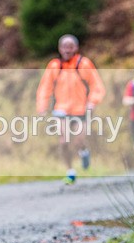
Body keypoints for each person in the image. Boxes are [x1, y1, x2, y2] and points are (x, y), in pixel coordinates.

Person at [36, 34, 105, 184]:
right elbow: (45, 87)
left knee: (79, 140)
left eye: (70, 47)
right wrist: (42, 107)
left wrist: (92, 102)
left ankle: (84, 152)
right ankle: (70, 171)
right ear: (59, 49)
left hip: (81, 110)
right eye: (64, 47)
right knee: (63, 141)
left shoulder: (83, 64)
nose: (67, 50)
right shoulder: (54, 66)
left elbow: (97, 85)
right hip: (61, 109)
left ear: (76, 48)